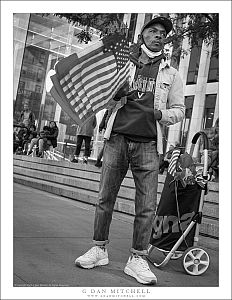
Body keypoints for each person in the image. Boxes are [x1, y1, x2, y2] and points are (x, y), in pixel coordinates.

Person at [75, 16, 185, 285]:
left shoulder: (171, 72)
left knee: (146, 206)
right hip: (117, 139)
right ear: (143, 35)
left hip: (148, 143)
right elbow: (102, 96)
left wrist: (160, 113)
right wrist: (116, 93)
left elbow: (180, 111)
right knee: (105, 198)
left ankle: (137, 258)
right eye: (153, 31)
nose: (158, 36)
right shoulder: (123, 63)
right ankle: (99, 249)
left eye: (162, 33)